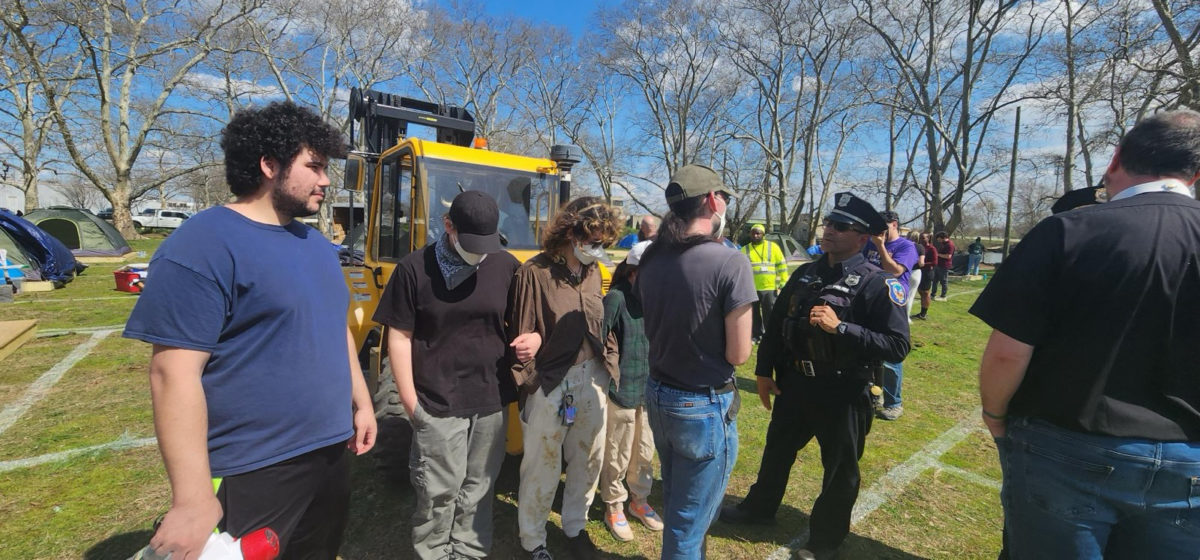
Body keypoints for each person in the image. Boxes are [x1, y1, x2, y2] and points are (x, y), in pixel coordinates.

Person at [123, 101, 376, 559]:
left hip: (329, 454)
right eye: (314, 167)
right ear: (268, 165)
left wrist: (361, 403)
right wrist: (192, 497)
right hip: (252, 465)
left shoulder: (317, 245)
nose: (325, 180)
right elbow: (172, 375)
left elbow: (334, 328)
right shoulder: (202, 244)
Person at [970, 110, 1200, 559]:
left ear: (1114, 160)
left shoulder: (1067, 230)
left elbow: (1006, 354)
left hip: (1068, 444)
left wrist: (995, 413)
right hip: (1188, 456)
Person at [720, 192, 910, 560]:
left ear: (863, 236)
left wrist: (841, 329)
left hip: (844, 391)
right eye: (828, 223)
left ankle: (824, 542)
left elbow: (897, 345)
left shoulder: (878, 283)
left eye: (841, 227)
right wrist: (763, 370)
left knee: (839, 470)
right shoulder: (806, 273)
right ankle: (759, 510)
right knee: (776, 452)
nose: (829, 231)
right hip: (795, 384)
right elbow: (777, 325)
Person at [372, 191, 520, 560]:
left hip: (489, 398)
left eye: (488, 244)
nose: (482, 253)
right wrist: (411, 406)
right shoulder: (414, 269)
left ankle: (469, 551)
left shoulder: (505, 265)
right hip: (437, 399)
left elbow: (520, 319)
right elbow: (400, 338)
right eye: (473, 244)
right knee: (439, 491)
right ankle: (435, 552)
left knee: (480, 487)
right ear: (449, 227)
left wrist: (531, 336)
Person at [637, 164, 756, 559]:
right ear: (711, 200)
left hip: (659, 395)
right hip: (701, 405)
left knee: (679, 505)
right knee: (689, 525)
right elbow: (738, 354)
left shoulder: (652, 257)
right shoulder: (729, 261)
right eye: (724, 197)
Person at [510, 196, 623, 560]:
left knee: (588, 460)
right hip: (550, 382)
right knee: (542, 466)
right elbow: (522, 336)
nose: (597, 248)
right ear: (570, 231)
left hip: (591, 379)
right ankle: (533, 540)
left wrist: (609, 365)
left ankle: (575, 528)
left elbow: (597, 323)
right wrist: (532, 387)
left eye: (604, 242)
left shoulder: (593, 272)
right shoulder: (534, 273)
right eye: (592, 240)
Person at [599, 240, 664, 543]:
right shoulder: (616, 298)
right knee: (618, 452)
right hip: (621, 391)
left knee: (644, 451)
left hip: (650, 390)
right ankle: (613, 505)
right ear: (633, 272)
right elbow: (598, 340)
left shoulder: (659, 298)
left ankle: (639, 501)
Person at [862, 210, 917, 421]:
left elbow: (894, 271)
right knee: (867, 348)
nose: (878, 231)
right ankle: (872, 395)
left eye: (883, 226)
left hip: (892, 303)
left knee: (890, 355)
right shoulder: (869, 243)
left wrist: (880, 246)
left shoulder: (906, 246)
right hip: (869, 300)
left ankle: (894, 402)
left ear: (894, 224)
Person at [740, 223, 789, 343]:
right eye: (753, 233)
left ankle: (770, 335)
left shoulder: (773, 247)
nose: (756, 235)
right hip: (752, 289)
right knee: (754, 314)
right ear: (750, 234)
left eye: (758, 233)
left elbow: (782, 265)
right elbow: (740, 270)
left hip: (769, 288)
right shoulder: (744, 250)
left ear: (764, 235)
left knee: (770, 314)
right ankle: (756, 335)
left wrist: (783, 282)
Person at [912, 232, 937, 320]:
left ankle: (923, 313)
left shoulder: (931, 248)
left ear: (928, 238)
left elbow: (934, 262)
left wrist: (923, 264)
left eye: (923, 238)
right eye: (920, 238)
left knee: (925, 293)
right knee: (920, 291)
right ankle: (921, 312)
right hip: (918, 272)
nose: (921, 239)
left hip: (927, 273)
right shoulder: (918, 247)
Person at [904, 231, 925, 321]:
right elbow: (921, 263)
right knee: (910, 295)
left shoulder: (903, 245)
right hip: (915, 272)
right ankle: (906, 317)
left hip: (904, 270)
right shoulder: (920, 247)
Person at [932, 231, 954, 300]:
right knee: (935, 280)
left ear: (943, 238)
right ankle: (933, 294)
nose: (938, 240)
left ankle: (943, 296)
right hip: (938, 264)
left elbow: (948, 256)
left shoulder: (950, 245)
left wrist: (937, 254)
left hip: (944, 265)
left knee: (943, 281)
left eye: (938, 238)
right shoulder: (943, 244)